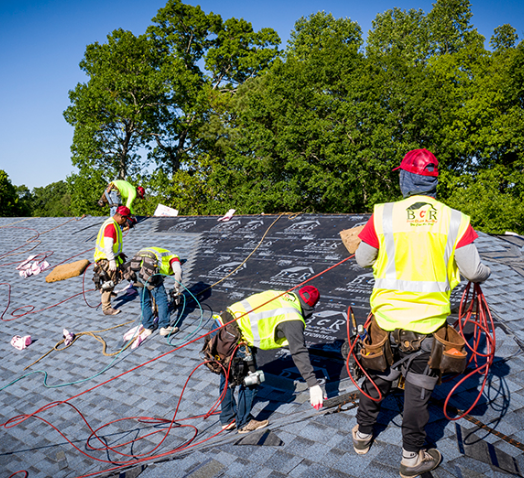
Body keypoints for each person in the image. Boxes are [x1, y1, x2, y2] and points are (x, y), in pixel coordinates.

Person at [352, 149, 491, 477]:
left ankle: (361, 435)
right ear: (433, 182)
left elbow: (361, 259)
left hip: (385, 322)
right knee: (418, 390)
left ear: (404, 179)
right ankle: (411, 456)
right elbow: (472, 271)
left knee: (378, 375)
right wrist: (483, 273)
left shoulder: (384, 215)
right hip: (427, 325)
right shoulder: (455, 220)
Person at [214, 286, 324, 434]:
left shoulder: (284, 296)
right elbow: (299, 351)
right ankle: (244, 422)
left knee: (227, 375)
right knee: (252, 379)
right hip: (234, 337)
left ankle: (228, 418)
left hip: (221, 326)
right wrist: (313, 384)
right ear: (309, 308)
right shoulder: (292, 316)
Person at [125, 247, 182, 337]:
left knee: (144, 300)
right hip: (148, 271)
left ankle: (148, 327)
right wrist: (176, 288)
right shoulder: (174, 258)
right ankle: (164, 326)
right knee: (162, 299)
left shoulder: (161, 253)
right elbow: (178, 271)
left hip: (135, 269)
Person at [93, 206, 130, 316]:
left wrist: (118, 254)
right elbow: (108, 246)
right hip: (106, 259)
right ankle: (107, 308)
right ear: (121, 217)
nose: (126, 221)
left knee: (114, 278)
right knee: (108, 283)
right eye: (126, 219)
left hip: (109, 257)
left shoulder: (113, 223)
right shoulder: (111, 226)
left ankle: (107, 291)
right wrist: (112, 260)